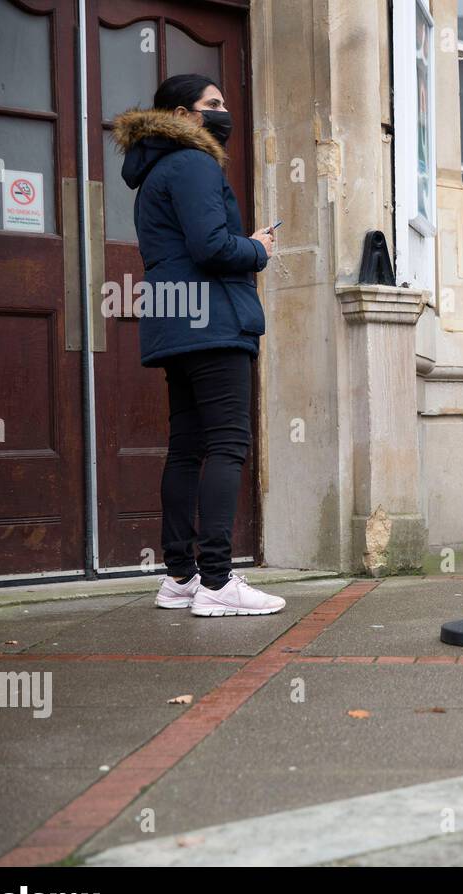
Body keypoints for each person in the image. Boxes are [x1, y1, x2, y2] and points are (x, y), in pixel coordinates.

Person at [113, 74, 285, 616]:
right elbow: (211, 248)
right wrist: (256, 248)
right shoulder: (193, 164)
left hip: (176, 322)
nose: (223, 112)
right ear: (184, 115)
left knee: (186, 447)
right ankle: (216, 582)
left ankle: (180, 576)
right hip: (211, 322)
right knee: (228, 444)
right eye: (213, 104)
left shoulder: (155, 171)